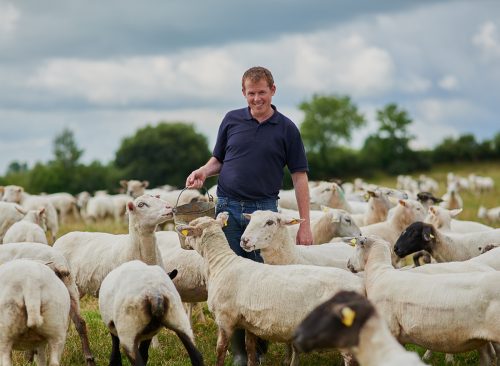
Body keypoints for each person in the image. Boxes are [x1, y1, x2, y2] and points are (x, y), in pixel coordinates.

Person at [185, 66, 313, 365]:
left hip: (263, 211)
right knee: (230, 279)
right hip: (227, 207)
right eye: (251, 93)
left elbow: (299, 177)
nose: (256, 99)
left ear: (273, 90)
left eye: (262, 93)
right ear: (244, 93)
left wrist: (304, 225)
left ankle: (262, 350)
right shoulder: (232, 120)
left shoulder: (287, 128)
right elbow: (219, 159)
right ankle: (240, 353)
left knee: (263, 280)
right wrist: (204, 171)